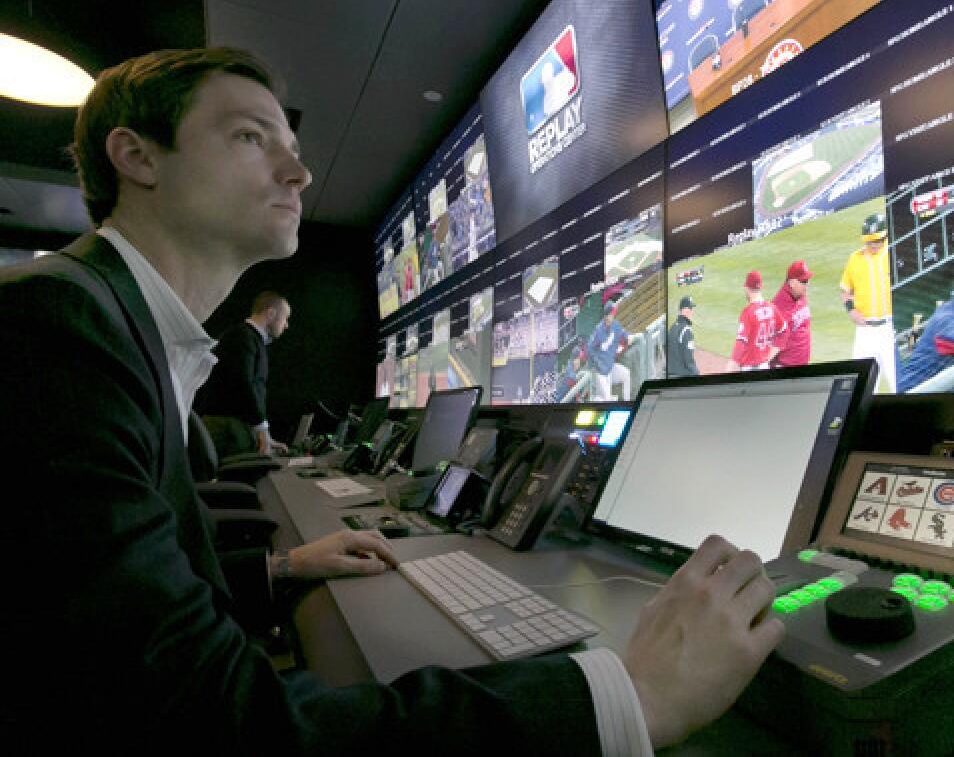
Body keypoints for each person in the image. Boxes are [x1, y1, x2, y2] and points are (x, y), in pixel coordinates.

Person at [0, 47, 783, 753]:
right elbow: (203, 719)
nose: (298, 173)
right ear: (137, 157)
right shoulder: (55, 326)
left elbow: (114, 606)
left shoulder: (110, 323)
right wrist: (629, 699)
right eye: (250, 137)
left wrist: (282, 566)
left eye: (295, 151)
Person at [196, 290, 290, 456]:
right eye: (285, 318)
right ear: (271, 314)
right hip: (227, 430)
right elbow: (243, 385)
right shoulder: (242, 337)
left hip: (231, 428)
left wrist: (265, 434)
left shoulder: (248, 338)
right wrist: (262, 430)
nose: (286, 325)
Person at [840, 213, 896, 392]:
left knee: (898, 383)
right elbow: (845, 290)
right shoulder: (854, 259)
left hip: (889, 329)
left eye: (877, 241)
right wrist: (850, 310)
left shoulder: (893, 254)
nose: (873, 245)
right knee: (861, 387)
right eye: (869, 241)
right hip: (865, 332)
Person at [728, 270, 787, 371]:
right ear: (760, 287)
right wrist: (770, 355)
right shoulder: (772, 308)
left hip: (749, 369)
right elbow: (784, 331)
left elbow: (741, 341)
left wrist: (731, 365)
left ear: (747, 288)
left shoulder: (748, 312)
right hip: (765, 366)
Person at [771, 259, 813, 368]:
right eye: (803, 281)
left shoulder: (800, 295)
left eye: (808, 280)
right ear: (791, 283)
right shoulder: (779, 307)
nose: (807, 285)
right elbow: (771, 344)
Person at [588, 301, 632, 401]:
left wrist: (629, 336)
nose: (612, 316)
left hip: (611, 367)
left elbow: (624, 333)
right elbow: (590, 349)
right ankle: (598, 399)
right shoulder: (598, 330)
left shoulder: (615, 325)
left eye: (613, 314)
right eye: (610, 314)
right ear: (606, 316)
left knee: (626, 374)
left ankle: (628, 402)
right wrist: (597, 364)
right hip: (601, 372)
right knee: (607, 400)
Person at [667, 294, 700, 376]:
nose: (692, 311)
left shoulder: (672, 327)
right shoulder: (686, 330)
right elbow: (688, 359)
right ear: (685, 310)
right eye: (691, 308)